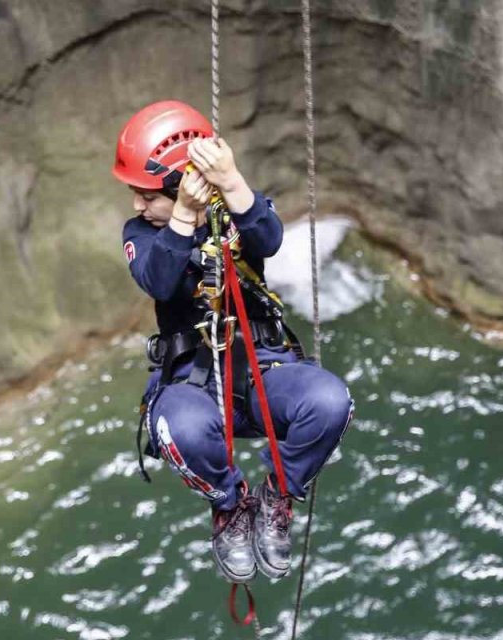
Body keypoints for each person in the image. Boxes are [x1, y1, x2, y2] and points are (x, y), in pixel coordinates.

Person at [112, 100, 354, 583]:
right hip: (192, 383)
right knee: (179, 428)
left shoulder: (235, 214)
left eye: (146, 195)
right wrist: (180, 215)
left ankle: (276, 495)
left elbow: (268, 239)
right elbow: (158, 280)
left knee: (330, 402)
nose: (138, 205)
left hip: (262, 369)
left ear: (181, 183)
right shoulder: (143, 233)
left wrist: (231, 182)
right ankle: (229, 505)